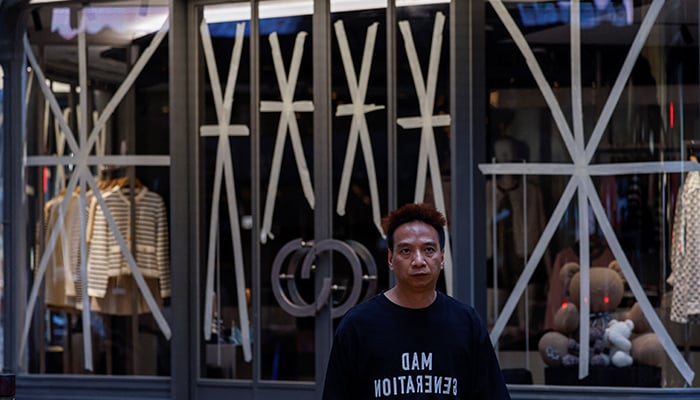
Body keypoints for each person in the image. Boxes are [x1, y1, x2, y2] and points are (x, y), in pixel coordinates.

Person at [322, 203, 511, 399]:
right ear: (390, 259)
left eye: (428, 249)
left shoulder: (466, 323)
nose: (418, 261)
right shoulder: (358, 326)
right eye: (406, 251)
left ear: (442, 256)